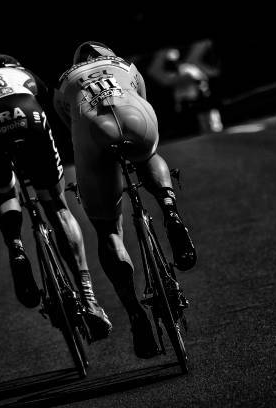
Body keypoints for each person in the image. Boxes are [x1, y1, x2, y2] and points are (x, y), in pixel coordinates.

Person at [53, 41, 197, 358]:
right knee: (148, 155)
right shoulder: (126, 66)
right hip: (136, 119)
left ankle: (135, 315)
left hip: (93, 131)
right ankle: (170, 211)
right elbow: (141, 98)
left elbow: (70, 128)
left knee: (108, 231)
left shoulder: (65, 81)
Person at [0, 54, 112, 340]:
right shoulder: (20, 71)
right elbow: (50, 104)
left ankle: (16, 246)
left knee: (5, 191)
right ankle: (88, 298)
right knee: (56, 205)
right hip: (23, 112)